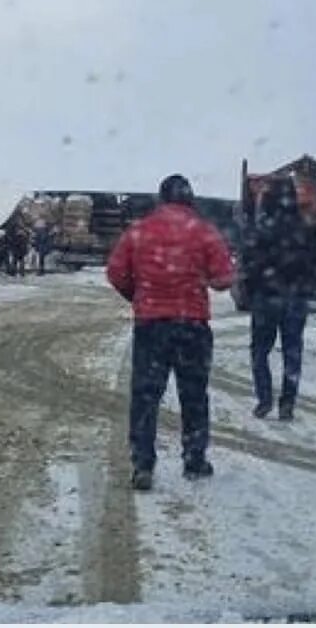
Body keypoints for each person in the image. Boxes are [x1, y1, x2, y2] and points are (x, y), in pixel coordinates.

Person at [106, 174, 235, 491]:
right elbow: (224, 279)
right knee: (193, 395)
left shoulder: (140, 230)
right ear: (190, 199)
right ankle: (194, 460)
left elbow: (116, 272)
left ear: (161, 198)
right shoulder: (204, 231)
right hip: (191, 325)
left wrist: (138, 295)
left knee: (146, 397)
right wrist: (198, 280)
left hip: (151, 325)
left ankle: (142, 464)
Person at [241, 178, 316, 420]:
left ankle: (264, 399)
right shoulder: (306, 230)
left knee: (260, 350)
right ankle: (288, 402)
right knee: (292, 351)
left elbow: (249, 265)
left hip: (266, 298)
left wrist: (251, 291)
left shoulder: (260, 229)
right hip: (295, 298)